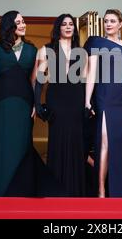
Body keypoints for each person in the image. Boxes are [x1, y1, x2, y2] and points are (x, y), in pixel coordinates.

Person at [84, 9, 122, 198]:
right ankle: (101, 189)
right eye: (106, 21)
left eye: (112, 21)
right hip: (105, 96)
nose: (108, 24)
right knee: (105, 142)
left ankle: (121, 192)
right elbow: (91, 73)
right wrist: (87, 100)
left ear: (120, 24)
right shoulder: (96, 42)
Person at [0, 10, 38, 197]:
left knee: (21, 146)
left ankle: (20, 194)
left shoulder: (33, 50)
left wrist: (35, 104)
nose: (23, 25)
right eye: (19, 22)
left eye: (24, 21)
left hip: (24, 104)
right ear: (9, 25)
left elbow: (34, 81)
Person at [34, 13, 87, 196]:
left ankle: (75, 192)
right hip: (56, 99)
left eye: (71, 24)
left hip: (76, 100)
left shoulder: (82, 52)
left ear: (74, 28)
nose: (67, 27)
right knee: (57, 142)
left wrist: (88, 104)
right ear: (58, 28)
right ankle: (56, 190)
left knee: (76, 143)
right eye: (64, 24)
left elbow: (87, 80)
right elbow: (40, 80)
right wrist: (38, 104)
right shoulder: (47, 49)